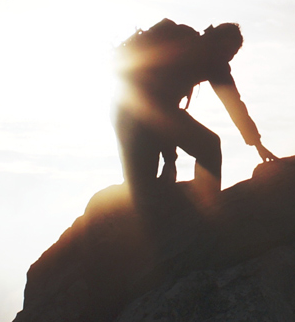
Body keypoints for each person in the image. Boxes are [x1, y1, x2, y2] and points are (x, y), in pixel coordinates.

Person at [117, 20, 277, 199]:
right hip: (137, 112)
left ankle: (203, 204)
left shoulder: (195, 46)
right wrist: (170, 158)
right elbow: (159, 109)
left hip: (123, 110)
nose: (228, 58)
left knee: (143, 186)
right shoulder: (202, 56)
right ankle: (208, 205)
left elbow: (232, 103)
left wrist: (256, 142)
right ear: (217, 41)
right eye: (227, 51)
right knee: (208, 147)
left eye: (232, 54)